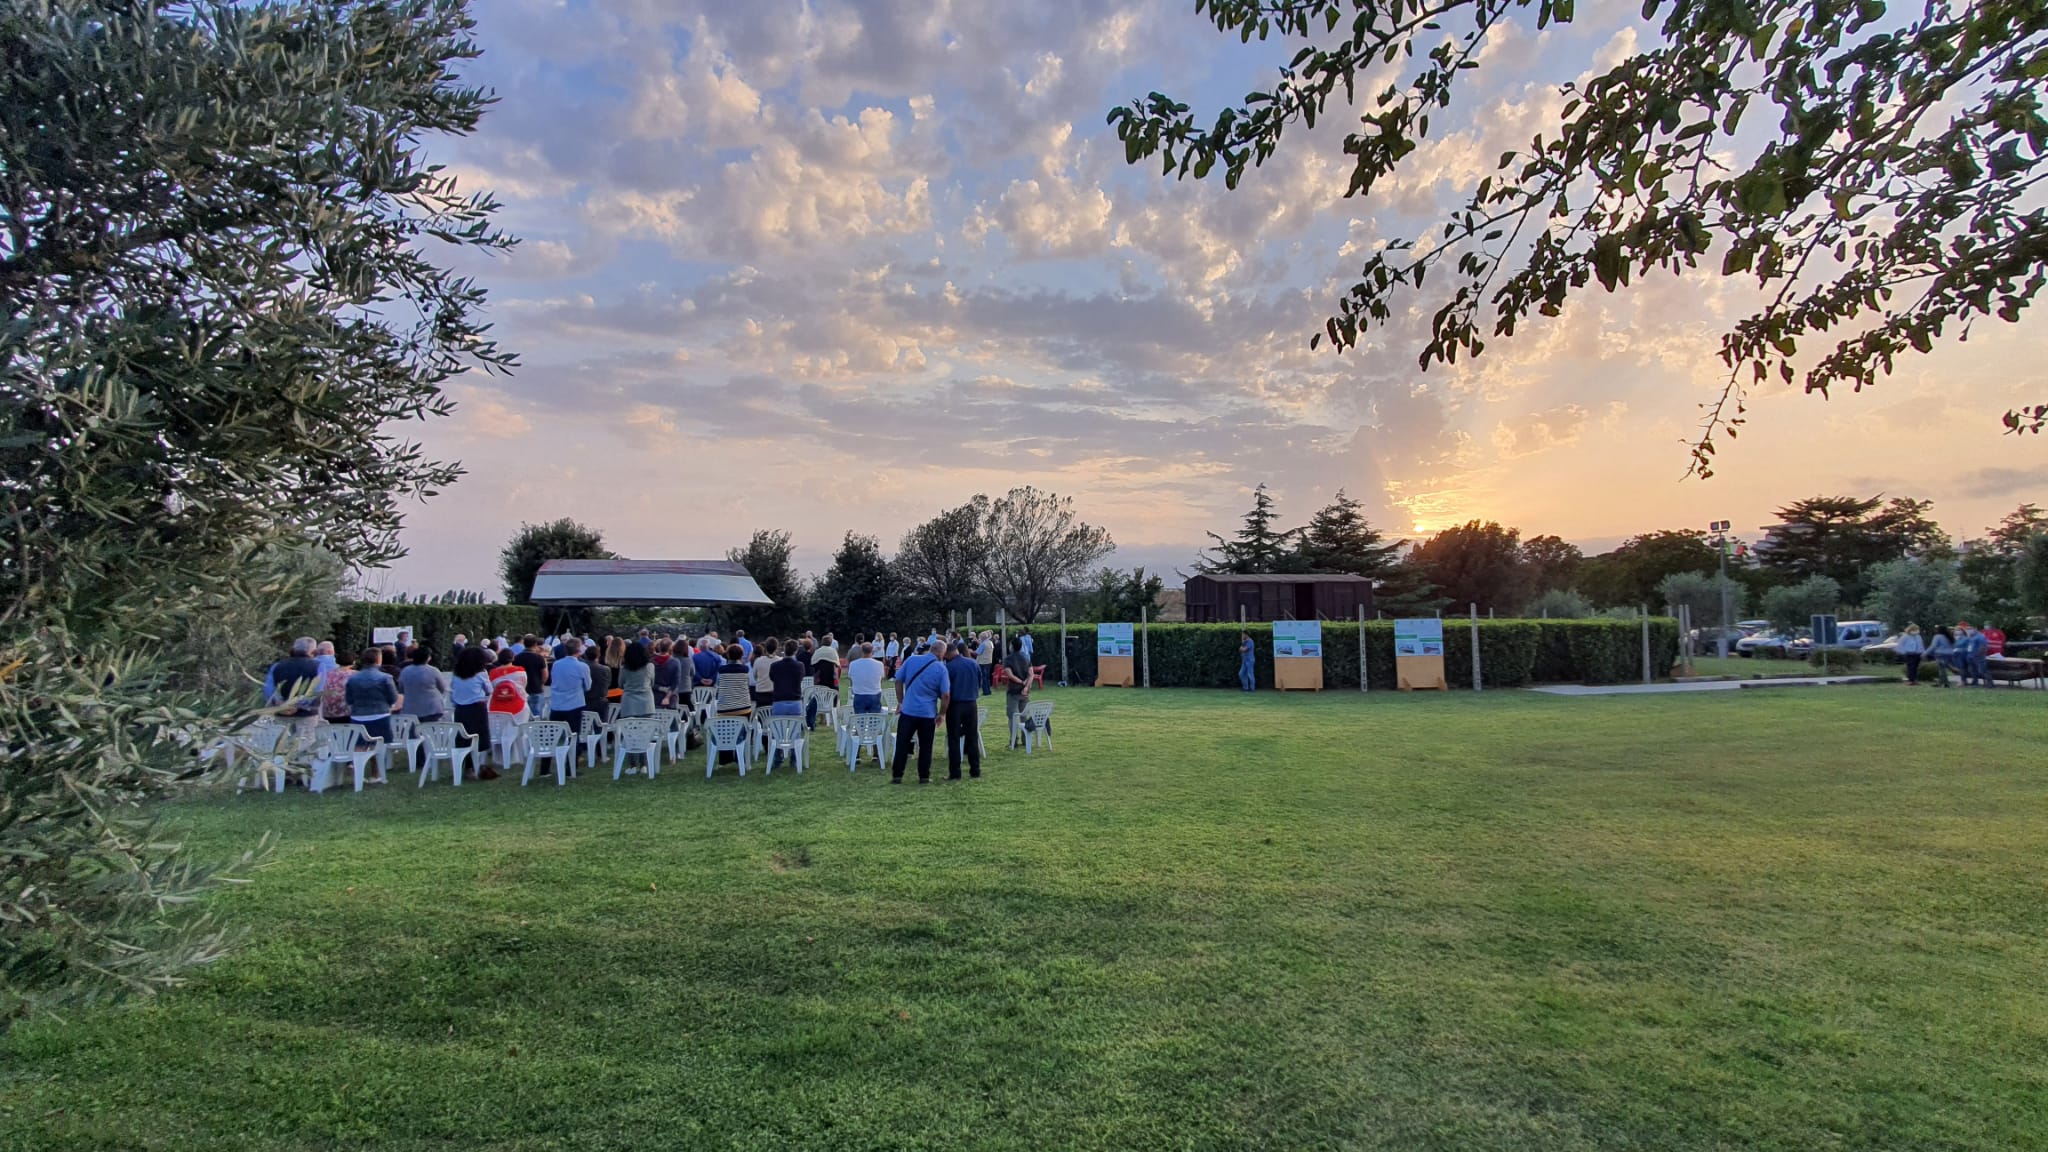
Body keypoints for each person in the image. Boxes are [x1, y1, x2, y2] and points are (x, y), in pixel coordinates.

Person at [890, 640, 952, 784]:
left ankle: (897, 775)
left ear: (931, 649)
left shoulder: (912, 660)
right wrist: (942, 713)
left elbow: (898, 681)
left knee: (902, 744)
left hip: (908, 710)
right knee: (926, 745)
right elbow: (946, 695)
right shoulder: (941, 669)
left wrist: (901, 701)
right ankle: (924, 776)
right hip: (927, 713)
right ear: (942, 653)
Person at [344, 647, 399, 754]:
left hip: (358, 716)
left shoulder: (352, 678)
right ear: (379, 660)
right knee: (380, 745)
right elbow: (393, 698)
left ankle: (356, 766)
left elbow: (349, 700)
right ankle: (378, 768)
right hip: (380, 715)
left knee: (359, 745)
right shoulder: (385, 678)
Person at [944, 641, 983, 780]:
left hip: (955, 705)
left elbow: (945, 689)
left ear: (947, 653)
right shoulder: (973, 663)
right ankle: (975, 769)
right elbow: (980, 682)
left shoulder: (949, 667)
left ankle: (955, 772)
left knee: (954, 738)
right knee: (972, 737)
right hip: (971, 704)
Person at [449, 644, 494, 760]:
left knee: (464, 738)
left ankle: (467, 764)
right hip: (477, 708)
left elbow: (453, 688)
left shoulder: (456, 674)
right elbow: (489, 690)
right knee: (479, 738)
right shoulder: (481, 673)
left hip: (460, 709)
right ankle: (479, 763)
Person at [265, 637, 324, 723]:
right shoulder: (318, 666)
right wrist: (299, 704)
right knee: (305, 736)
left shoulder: (277, 666)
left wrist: (280, 703)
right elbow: (317, 689)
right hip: (306, 714)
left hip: (281, 712)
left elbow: (269, 689)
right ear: (313, 651)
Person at [397, 645, 450, 724]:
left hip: (411, 708)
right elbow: (442, 688)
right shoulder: (433, 671)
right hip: (432, 708)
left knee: (413, 733)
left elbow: (401, 689)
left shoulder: (405, 671)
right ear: (428, 658)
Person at [549, 636, 592, 730]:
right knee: (574, 734)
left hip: (557, 703)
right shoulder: (582, 666)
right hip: (575, 704)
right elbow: (588, 686)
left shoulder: (556, 664)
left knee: (555, 735)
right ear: (579, 650)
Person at [1000, 634, 1031, 735]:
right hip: (1025, 692)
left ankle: (1013, 740)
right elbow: (1031, 674)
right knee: (1024, 716)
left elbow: (1010, 675)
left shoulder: (1008, 659)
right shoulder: (1026, 657)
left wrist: (1021, 682)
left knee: (1012, 716)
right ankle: (1025, 738)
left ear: (1012, 646)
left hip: (1013, 691)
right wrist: (1026, 686)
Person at [617, 640, 656, 718]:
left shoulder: (624, 668)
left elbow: (620, 685)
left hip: (629, 703)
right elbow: (652, 683)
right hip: (646, 703)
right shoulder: (650, 666)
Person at [768, 642, 807, 717]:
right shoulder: (800, 666)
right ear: (795, 651)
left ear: (784, 650)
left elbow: (772, 678)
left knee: (778, 727)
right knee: (795, 727)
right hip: (795, 701)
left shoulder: (774, 666)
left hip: (779, 701)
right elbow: (801, 678)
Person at [514, 634, 548, 717]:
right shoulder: (539, 658)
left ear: (524, 643)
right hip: (536, 688)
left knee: (523, 715)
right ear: (535, 644)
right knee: (536, 714)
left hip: (521, 689)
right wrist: (541, 684)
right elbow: (545, 675)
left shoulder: (516, 658)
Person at [848, 643, 886, 713]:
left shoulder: (853, 664)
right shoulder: (879, 664)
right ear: (872, 651)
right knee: (874, 720)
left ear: (861, 651)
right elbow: (881, 679)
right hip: (875, 694)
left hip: (859, 694)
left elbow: (851, 678)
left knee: (860, 720)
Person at [652, 638, 683, 710]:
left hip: (654, 696)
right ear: (671, 648)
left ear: (659, 647)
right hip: (671, 697)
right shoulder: (675, 662)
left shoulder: (651, 661)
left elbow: (649, 681)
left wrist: (659, 688)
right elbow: (676, 682)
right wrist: (667, 697)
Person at [583, 643, 613, 715]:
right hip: (601, 701)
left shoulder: (583, 669)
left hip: (585, 701)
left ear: (586, 656)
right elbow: (608, 683)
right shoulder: (606, 669)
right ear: (598, 656)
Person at [752, 639, 780, 710]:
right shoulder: (780, 660)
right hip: (775, 693)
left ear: (765, 647)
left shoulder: (758, 661)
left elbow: (755, 676)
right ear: (776, 648)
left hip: (760, 693)